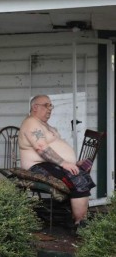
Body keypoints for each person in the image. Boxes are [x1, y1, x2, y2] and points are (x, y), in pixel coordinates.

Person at [18, 95, 95, 227]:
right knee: (78, 178)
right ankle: (80, 224)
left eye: (51, 106)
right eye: (46, 105)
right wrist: (64, 163)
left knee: (82, 175)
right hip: (38, 165)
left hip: (51, 163)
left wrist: (73, 162)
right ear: (35, 107)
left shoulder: (43, 124)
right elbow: (41, 148)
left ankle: (78, 217)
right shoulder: (31, 122)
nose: (50, 109)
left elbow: (55, 147)